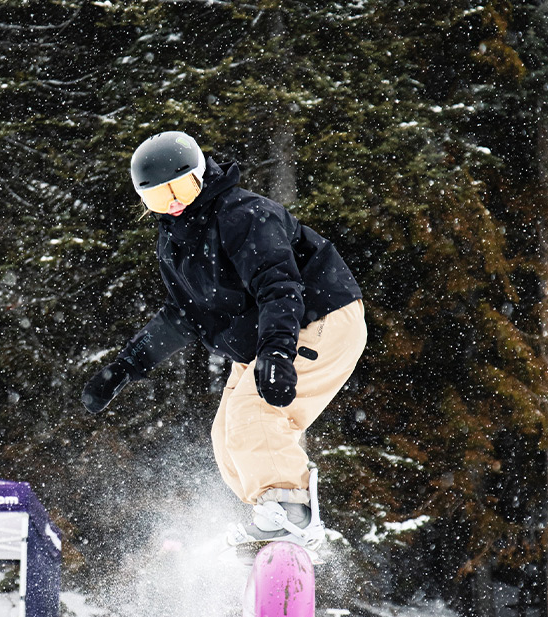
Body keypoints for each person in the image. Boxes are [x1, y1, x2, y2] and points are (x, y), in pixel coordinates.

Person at [81, 131, 366, 553]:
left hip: (317, 315)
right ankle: (271, 514)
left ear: (202, 177)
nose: (174, 202)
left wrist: (276, 351)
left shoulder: (244, 215)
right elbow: (183, 317)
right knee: (227, 435)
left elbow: (280, 286)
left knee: (255, 415)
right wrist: (126, 366)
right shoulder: (174, 245)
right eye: (160, 198)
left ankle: (292, 510)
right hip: (267, 336)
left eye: (181, 188)